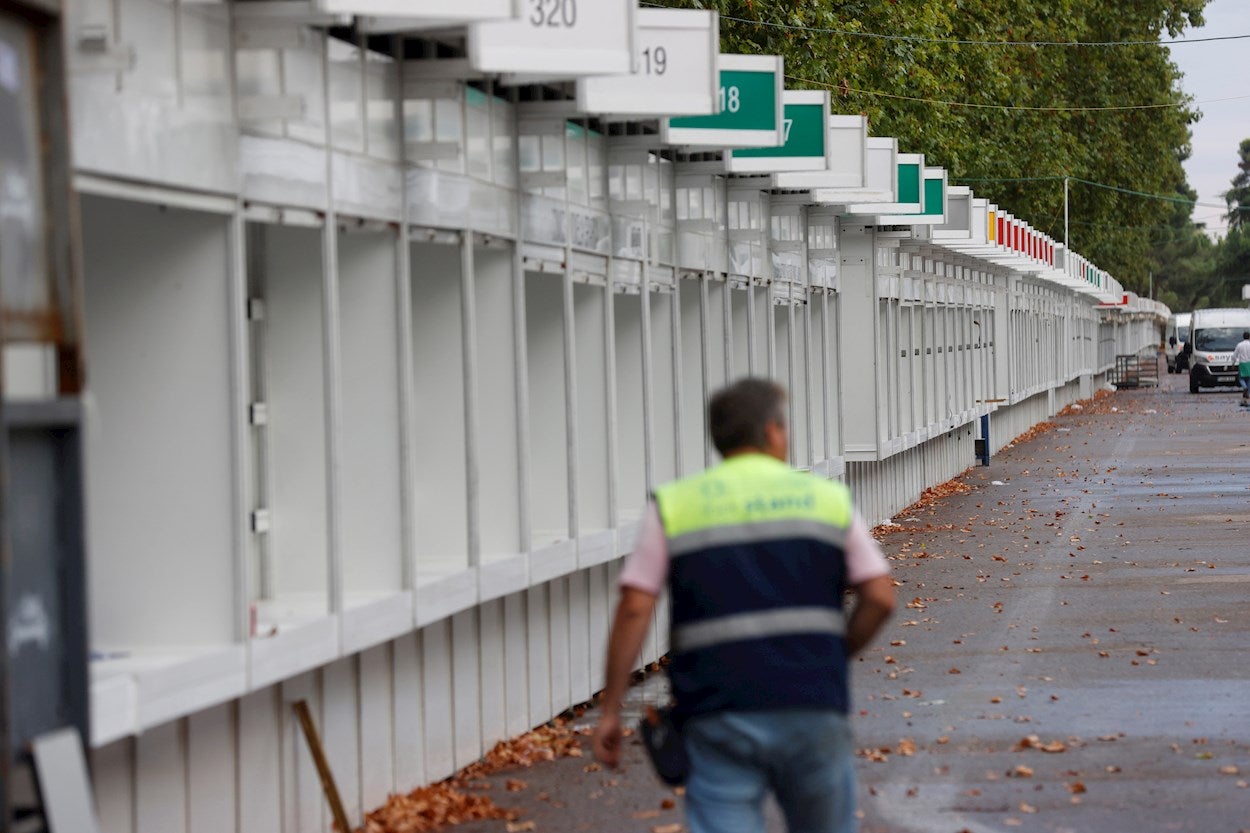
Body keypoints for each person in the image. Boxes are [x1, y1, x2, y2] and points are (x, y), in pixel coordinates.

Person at [592, 378, 896, 833]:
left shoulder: (676, 505)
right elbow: (880, 596)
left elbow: (635, 607)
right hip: (811, 702)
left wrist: (612, 708)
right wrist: (837, 652)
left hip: (717, 708)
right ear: (772, 431)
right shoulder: (827, 500)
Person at [1234, 331, 1250, 407]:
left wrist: (1233, 363)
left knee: (1241, 378)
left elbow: (1235, 355)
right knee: (1249, 379)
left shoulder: (1239, 345)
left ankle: (1245, 388)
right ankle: (1248, 393)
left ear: (1243, 337)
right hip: (1249, 363)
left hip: (1242, 363)